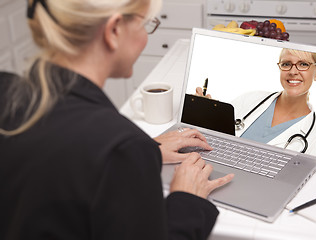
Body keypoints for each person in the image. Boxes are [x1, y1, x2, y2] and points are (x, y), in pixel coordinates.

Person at [0, 1, 233, 239]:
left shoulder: (5, 91)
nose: (145, 36)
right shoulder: (121, 147)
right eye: (145, 24)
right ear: (114, 30)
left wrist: (140, 151)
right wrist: (188, 199)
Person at [196, 48, 316, 155]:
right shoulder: (250, 99)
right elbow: (215, 140)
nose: (293, 71)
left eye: (303, 64)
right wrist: (207, 116)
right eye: (286, 64)